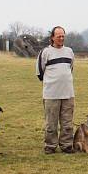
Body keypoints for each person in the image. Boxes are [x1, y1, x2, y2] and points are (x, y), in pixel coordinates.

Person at [36, 26, 75, 154]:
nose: (61, 38)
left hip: (68, 93)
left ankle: (67, 145)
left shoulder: (69, 51)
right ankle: (50, 146)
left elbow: (70, 68)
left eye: (63, 36)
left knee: (67, 123)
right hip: (51, 94)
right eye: (58, 36)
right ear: (52, 37)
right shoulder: (45, 52)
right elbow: (40, 72)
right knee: (51, 123)